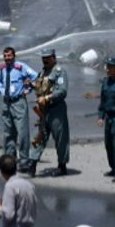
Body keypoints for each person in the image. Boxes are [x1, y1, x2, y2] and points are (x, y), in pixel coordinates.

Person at [28, 48, 70, 177]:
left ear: (54, 57)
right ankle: (32, 164)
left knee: (60, 137)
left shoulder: (59, 72)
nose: (44, 60)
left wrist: (47, 98)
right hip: (43, 110)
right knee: (39, 135)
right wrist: (32, 85)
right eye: (43, 58)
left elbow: (62, 91)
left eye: (47, 57)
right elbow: (42, 87)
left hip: (56, 109)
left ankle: (62, 165)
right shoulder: (42, 72)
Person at [0, 46, 38, 174]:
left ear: (14, 56)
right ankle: (10, 159)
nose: (7, 58)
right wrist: (2, 91)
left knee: (23, 132)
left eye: (9, 56)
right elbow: (0, 82)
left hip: (18, 103)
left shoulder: (20, 67)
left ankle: (24, 160)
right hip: (6, 103)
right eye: (5, 56)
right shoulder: (3, 69)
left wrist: (29, 89)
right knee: (8, 132)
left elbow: (35, 77)